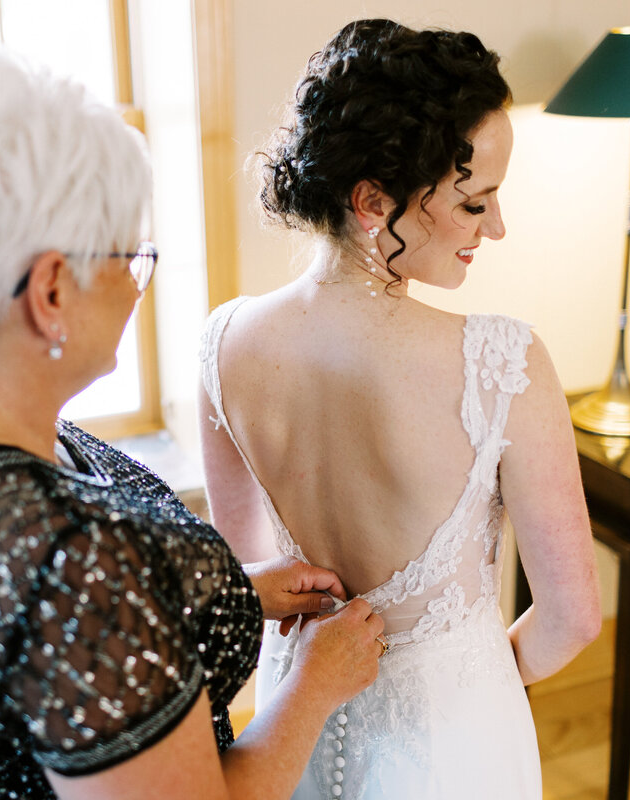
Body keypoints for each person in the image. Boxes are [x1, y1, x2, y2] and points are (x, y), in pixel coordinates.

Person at [0, 52, 387, 800]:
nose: (136, 282)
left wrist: (227, 593)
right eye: (130, 255)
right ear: (52, 290)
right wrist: (314, 687)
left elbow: (21, 658)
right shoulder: (80, 569)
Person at [199, 20, 602, 799]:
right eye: (474, 200)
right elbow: (573, 619)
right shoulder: (504, 363)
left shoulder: (224, 342)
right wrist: (469, 676)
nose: (497, 227)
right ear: (374, 202)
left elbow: (244, 579)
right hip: (452, 742)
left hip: (293, 724)